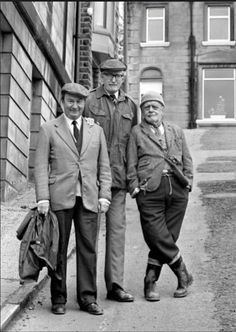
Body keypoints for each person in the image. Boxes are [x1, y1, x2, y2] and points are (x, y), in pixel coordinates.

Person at [34, 82, 112, 315]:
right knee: (57, 249)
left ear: (84, 103)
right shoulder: (49, 128)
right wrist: (43, 198)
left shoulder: (95, 130)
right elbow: (39, 166)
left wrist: (104, 195)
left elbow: (104, 166)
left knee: (88, 248)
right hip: (59, 198)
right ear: (62, 102)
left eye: (79, 101)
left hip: (89, 197)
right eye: (71, 101)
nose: (75, 105)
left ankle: (87, 298)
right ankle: (58, 298)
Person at [127, 91, 193, 301]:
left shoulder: (176, 131)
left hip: (177, 188)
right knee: (156, 235)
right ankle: (182, 273)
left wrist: (189, 180)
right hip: (149, 190)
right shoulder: (136, 133)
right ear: (142, 112)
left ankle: (150, 281)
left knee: (168, 236)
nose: (151, 110)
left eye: (155, 107)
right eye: (147, 107)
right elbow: (130, 163)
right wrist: (134, 187)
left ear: (162, 109)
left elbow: (186, 157)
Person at [84, 58, 138, 302]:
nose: (114, 79)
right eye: (109, 75)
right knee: (89, 236)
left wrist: (132, 178)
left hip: (118, 182)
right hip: (91, 180)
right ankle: (88, 292)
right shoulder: (88, 101)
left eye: (119, 75)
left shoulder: (131, 106)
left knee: (116, 233)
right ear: (101, 76)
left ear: (124, 77)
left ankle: (115, 286)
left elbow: (134, 147)